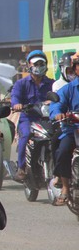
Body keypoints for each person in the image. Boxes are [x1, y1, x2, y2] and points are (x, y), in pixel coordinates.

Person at [11, 50, 55, 182]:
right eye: (36, 64)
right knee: (25, 136)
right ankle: (22, 167)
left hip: (47, 119)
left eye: (42, 63)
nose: (39, 66)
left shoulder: (51, 83)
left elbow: (59, 95)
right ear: (29, 66)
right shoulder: (21, 84)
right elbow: (15, 98)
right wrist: (17, 104)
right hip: (28, 118)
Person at [49, 53, 79, 206]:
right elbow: (56, 105)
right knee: (62, 151)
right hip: (73, 130)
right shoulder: (68, 89)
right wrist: (58, 114)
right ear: (75, 69)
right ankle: (66, 188)